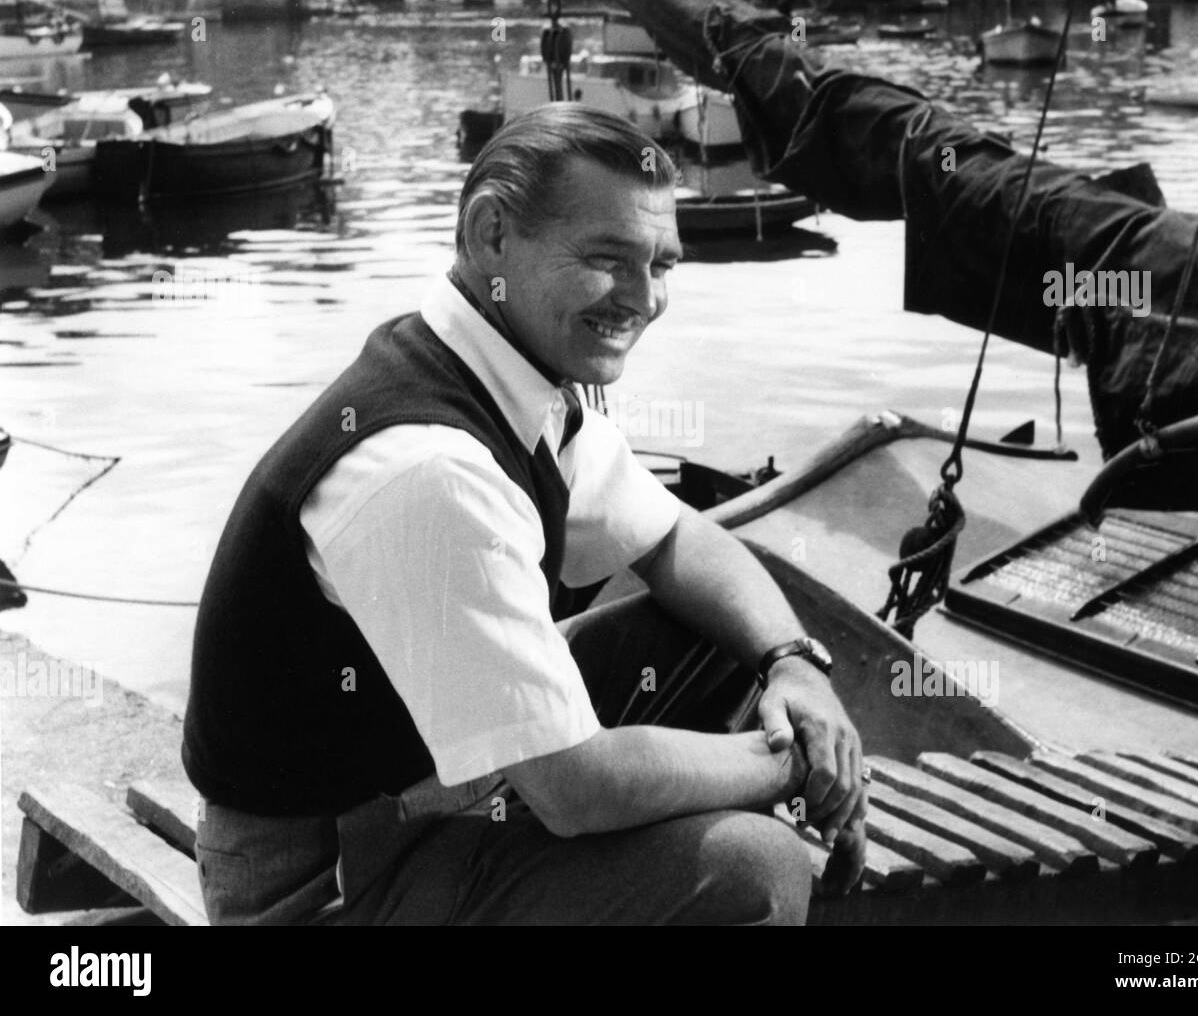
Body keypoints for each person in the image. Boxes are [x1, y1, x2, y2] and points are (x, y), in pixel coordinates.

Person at [182, 103, 868, 926]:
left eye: (663, 265)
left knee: (713, 629)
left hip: (416, 796)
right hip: (317, 884)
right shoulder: (430, 469)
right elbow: (577, 787)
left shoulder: (503, 375)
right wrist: (794, 765)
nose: (644, 301)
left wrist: (792, 663)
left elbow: (680, 535)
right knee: (753, 869)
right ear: (492, 236)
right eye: (608, 259)